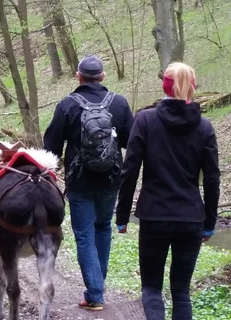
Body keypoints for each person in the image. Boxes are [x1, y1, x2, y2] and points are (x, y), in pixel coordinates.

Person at [116, 62, 220, 320]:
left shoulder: (145, 120)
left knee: (151, 288)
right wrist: (209, 222)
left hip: (154, 216)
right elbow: (212, 178)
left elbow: (130, 170)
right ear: (192, 87)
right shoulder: (205, 127)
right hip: (190, 218)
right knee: (182, 292)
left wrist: (121, 216)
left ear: (164, 86)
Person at [43, 54, 134, 311]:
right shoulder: (119, 103)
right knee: (103, 227)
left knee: (84, 234)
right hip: (112, 179)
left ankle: (95, 293)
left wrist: (55, 175)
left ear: (78, 77)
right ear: (103, 76)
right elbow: (132, 142)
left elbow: (50, 149)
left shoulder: (67, 105)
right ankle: (97, 286)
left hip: (80, 181)